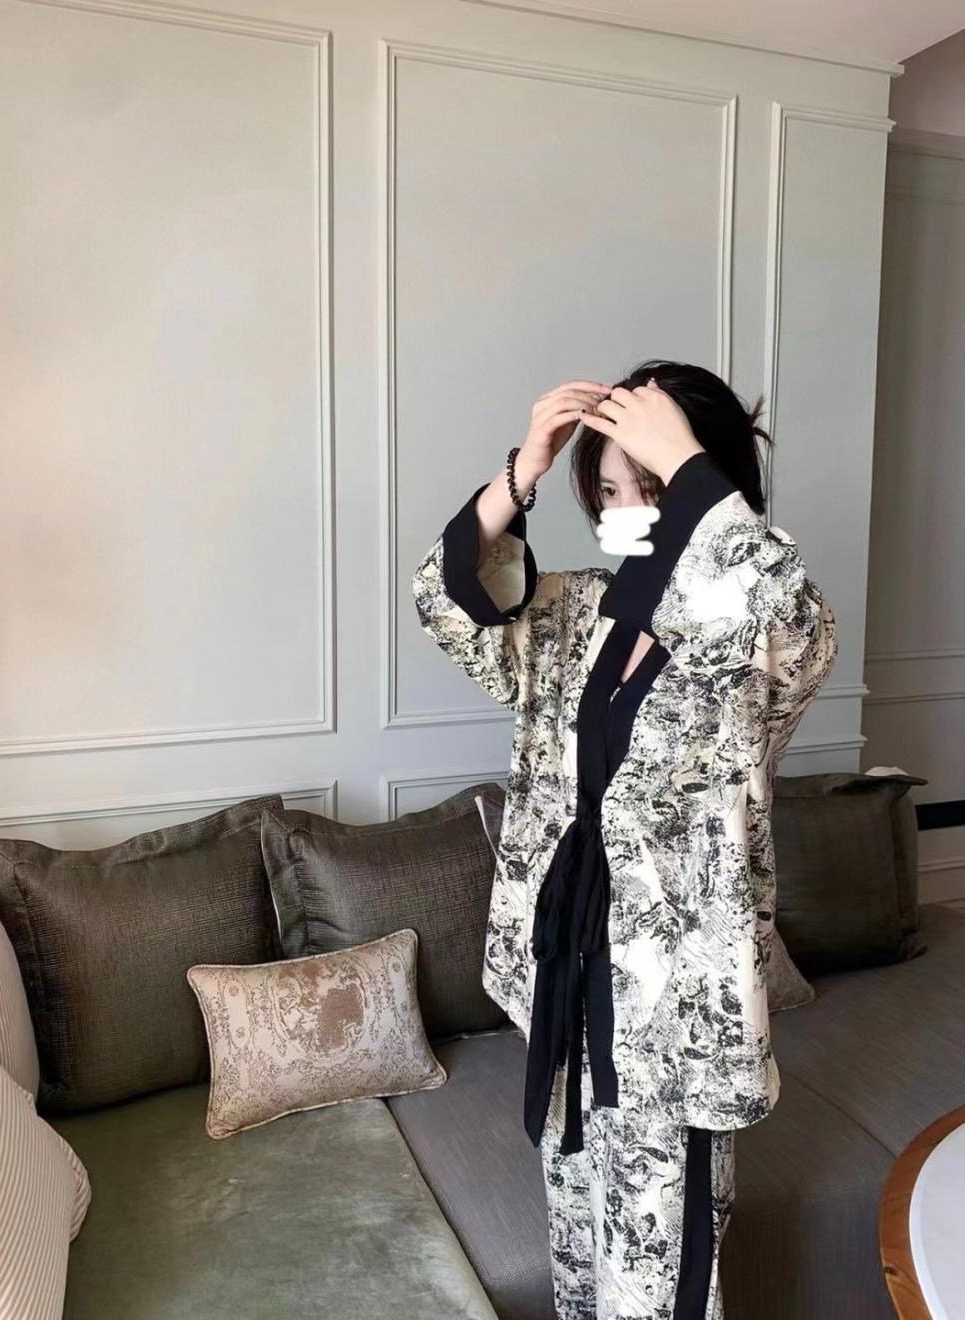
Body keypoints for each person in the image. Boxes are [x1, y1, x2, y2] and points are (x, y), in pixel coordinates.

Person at [411, 358, 839, 1319]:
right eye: (608, 491)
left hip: (673, 1017)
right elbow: (447, 602)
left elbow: (791, 624)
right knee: (580, 1253)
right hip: (567, 988)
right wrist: (522, 470)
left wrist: (687, 470)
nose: (628, 509)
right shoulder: (576, 614)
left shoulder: (753, 629)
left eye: (655, 484)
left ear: (709, 484)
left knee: (659, 1283)